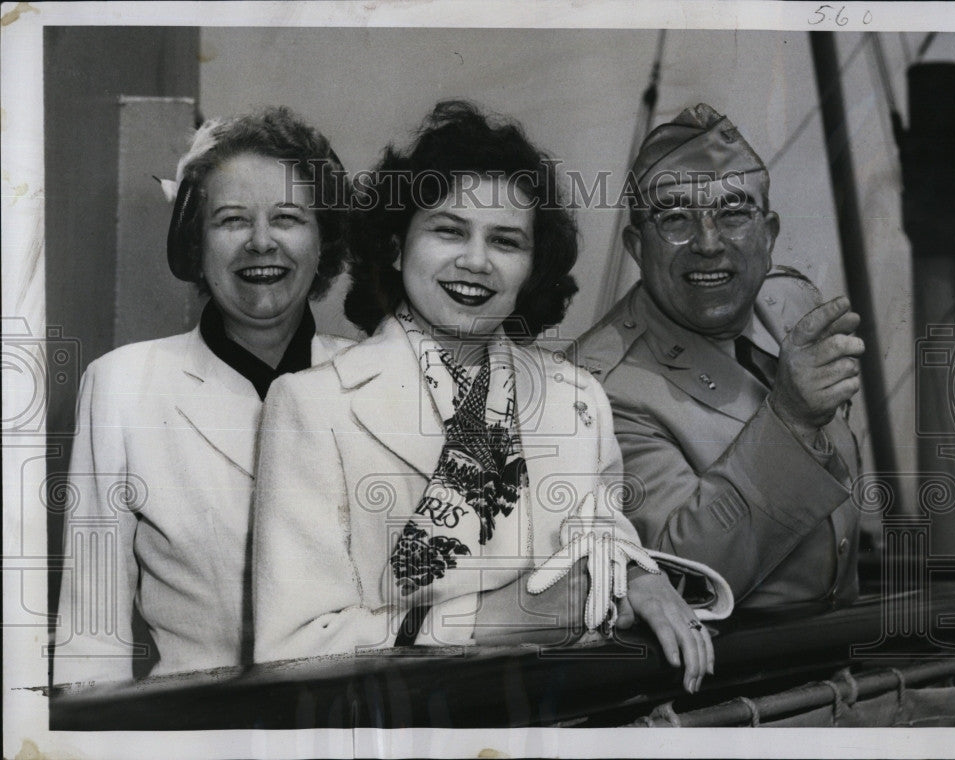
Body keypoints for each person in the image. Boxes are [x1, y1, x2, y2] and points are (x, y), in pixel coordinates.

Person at [252, 101, 732, 694]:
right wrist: (492, 618)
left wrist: (633, 575)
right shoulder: (312, 404)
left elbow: (603, 542)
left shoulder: (577, 398)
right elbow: (291, 647)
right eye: (448, 231)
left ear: (532, 269)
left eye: (506, 241)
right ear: (398, 246)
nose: (475, 262)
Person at [52, 107, 351, 683]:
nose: (261, 242)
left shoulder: (376, 381)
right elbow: (91, 634)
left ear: (323, 239)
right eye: (232, 220)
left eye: (288, 218)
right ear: (196, 242)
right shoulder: (122, 385)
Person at [575, 103, 864, 609]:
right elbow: (686, 581)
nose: (708, 244)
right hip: (729, 681)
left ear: (769, 236)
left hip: (843, 663)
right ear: (637, 246)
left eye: (734, 213)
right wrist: (791, 422)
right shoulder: (597, 391)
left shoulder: (792, 304)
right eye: (675, 218)